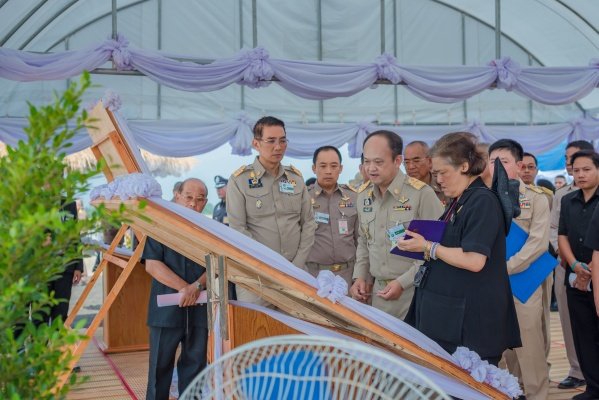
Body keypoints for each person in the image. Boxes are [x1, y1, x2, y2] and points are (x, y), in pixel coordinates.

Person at [400, 132, 520, 365]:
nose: (438, 181)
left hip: (470, 324)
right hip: (450, 318)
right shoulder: (459, 201)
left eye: (443, 173)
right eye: (435, 174)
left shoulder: (482, 201)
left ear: (464, 166)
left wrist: (428, 246)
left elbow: (474, 260)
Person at [350, 130, 444, 319]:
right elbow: (364, 241)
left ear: (397, 161)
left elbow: (436, 249)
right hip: (379, 294)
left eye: (378, 162)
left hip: (415, 292)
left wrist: (403, 282)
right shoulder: (363, 195)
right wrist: (360, 276)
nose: (371, 168)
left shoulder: (421, 194)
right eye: (367, 162)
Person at [227, 116, 317, 305]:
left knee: (297, 332)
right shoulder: (239, 181)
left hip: (296, 275)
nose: (278, 147)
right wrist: (268, 267)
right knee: (258, 331)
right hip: (256, 277)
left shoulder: (295, 179)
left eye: (282, 140)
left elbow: (308, 223)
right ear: (256, 143)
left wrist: (297, 265)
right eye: (271, 141)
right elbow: (238, 229)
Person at [489, 139, 550, 400]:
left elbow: (538, 243)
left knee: (529, 346)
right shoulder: (483, 197)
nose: (497, 167)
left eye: (503, 161)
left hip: (524, 280)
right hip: (492, 283)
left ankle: (536, 394)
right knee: (500, 347)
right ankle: (510, 393)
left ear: (519, 165)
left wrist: (507, 267)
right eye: (492, 162)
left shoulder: (537, 199)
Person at [143, 178, 209, 400]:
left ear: (205, 202)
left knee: (195, 369)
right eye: (188, 197)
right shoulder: (160, 225)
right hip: (166, 312)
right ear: (177, 195)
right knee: (159, 371)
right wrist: (185, 289)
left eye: (199, 200)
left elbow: (218, 265)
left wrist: (197, 286)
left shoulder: (210, 231)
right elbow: (152, 264)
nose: (193, 203)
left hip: (199, 310)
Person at [549, 140, 594, 390]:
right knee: (570, 321)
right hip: (566, 265)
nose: (572, 165)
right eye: (569, 160)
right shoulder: (562, 195)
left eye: (577, 159)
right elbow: (554, 229)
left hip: (593, 266)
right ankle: (578, 370)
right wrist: (568, 258)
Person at [559, 150, 599, 400]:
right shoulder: (567, 200)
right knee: (583, 335)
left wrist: (593, 270)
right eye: (576, 170)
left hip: (598, 274)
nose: (580, 174)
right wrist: (575, 265)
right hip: (575, 277)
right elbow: (562, 234)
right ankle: (593, 388)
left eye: (587, 169)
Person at [306, 146, 359, 286]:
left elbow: (361, 239)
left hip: (349, 275)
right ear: (314, 168)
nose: (328, 171)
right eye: (322, 166)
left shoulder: (354, 197)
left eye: (334, 166)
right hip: (313, 276)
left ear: (340, 168)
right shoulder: (303, 197)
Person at [404, 140, 448, 205]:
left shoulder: (444, 186)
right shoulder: (398, 189)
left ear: (429, 161)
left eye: (416, 161)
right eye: (407, 162)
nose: (411, 167)